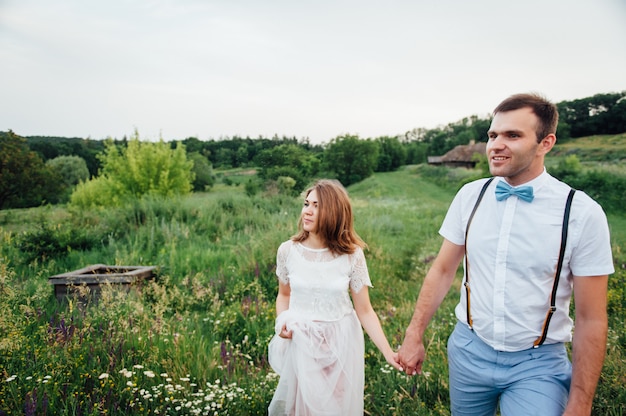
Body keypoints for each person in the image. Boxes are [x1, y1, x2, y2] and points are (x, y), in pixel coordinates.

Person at [398, 93, 614, 416]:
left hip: (538, 363)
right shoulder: (470, 196)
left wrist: (580, 404)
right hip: (469, 350)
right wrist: (414, 335)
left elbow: (591, 318)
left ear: (546, 143)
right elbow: (442, 271)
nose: (496, 144)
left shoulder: (581, 214)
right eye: (492, 135)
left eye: (512, 135)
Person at [267, 179, 401, 416]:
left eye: (316, 206)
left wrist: (388, 351)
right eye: (306, 204)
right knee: (304, 408)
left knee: (336, 407)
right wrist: (283, 321)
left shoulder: (352, 255)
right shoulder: (287, 250)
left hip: (340, 343)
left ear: (334, 212)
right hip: (302, 343)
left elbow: (365, 310)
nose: (307, 211)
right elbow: (283, 295)